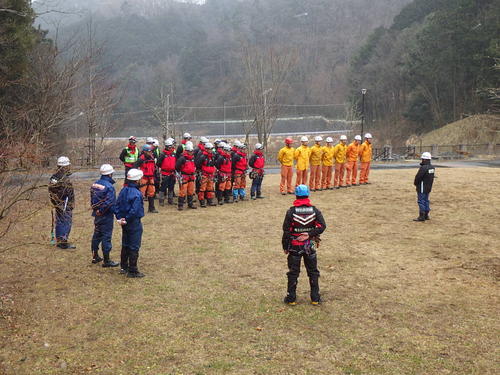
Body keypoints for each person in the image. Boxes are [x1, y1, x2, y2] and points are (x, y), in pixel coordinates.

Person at [281, 184, 326, 305]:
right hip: (310, 245)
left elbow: (286, 231)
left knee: (293, 272)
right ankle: (315, 298)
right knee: (313, 271)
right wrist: (310, 234)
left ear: (296, 195)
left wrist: (285, 247)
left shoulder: (291, 212)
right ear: (308, 195)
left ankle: (291, 299)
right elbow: (322, 226)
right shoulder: (315, 210)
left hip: (295, 246)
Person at [115, 168, 145, 278]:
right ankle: (133, 270)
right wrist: (126, 219)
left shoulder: (123, 190)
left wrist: (120, 218)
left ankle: (124, 266)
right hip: (133, 222)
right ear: (137, 180)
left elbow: (117, 205)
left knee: (125, 243)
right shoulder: (137, 194)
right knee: (134, 245)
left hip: (124, 222)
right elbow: (134, 210)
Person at [90, 164, 119, 267]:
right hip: (106, 215)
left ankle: (95, 256)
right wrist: (102, 211)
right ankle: (107, 261)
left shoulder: (95, 184)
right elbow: (109, 203)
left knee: (96, 235)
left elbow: (92, 199)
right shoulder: (109, 187)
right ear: (110, 174)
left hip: (97, 214)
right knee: (106, 237)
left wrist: (96, 210)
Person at [49, 156, 76, 249]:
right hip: (64, 204)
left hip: (58, 203)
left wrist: (55, 202)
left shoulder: (54, 177)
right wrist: (69, 202)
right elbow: (67, 192)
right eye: (67, 166)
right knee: (65, 222)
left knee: (60, 222)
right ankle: (62, 242)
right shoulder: (63, 178)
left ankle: (60, 240)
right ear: (64, 167)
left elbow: (51, 191)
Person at [134, 144, 158, 213]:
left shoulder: (152, 158)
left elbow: (154, 167)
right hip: (143, 178)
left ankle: (151, 208)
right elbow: (134, 167)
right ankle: (139, 209)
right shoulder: (141, 159)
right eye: (149, 151)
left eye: (151, 151)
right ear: (145, 151)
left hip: (151, 177)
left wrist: (155, 175)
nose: (150, 152)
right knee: (141, 194)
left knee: (151, 193)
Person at [413, 152, 435, 222]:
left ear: (424, 159)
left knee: (421, 201)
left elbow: (418, 177)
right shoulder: (432, 167)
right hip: (428, 187)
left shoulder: (423, 168)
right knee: (426, 200)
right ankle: (426, 214)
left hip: (422, 187)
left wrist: (415, 183)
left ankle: (421, 216)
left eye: (422, 159)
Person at [175, 141, 197, 210]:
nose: (191, 152)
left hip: (191, 176)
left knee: (191, 191)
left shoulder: (193, 158)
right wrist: (180, 173)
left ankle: (190, 204)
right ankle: (180, 205)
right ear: (187, 151)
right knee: (183, 191)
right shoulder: (182, 158)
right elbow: (177, 166)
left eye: (192, 151)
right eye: (190, 151)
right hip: (184, 176)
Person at [195, 142, 217, 207]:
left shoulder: (212, 156)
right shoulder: (202, 156)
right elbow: (197, 164)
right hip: (204, 175)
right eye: (209, 149)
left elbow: (214, 164)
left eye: (211, 149)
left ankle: (210, 201)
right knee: (202, 188)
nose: (211, 150)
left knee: (210, 188)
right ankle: (202, 202)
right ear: (206, 149)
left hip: (210, 175)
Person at [157, 138, 177, 206]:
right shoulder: (162, 154)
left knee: (171, 187)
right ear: (166, 146)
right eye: (169, 146)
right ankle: (161, 200)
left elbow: (176, 162)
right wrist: (163, 168)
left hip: (172, 173)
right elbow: (158, 163)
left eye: (171, 146)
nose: (171, 148)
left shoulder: (174, 154)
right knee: (163, 187)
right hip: (165, 173)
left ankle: (170, 200)